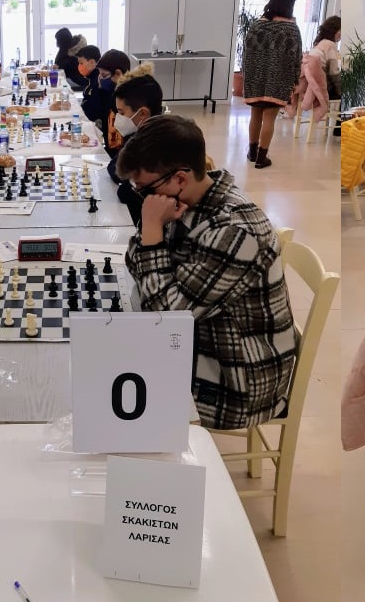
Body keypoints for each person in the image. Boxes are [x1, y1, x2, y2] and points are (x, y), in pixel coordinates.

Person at [119, 115, 297, 430]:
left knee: (111, 394)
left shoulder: (236, 232)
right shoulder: (185, 200)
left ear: (180, 178)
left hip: (235, 382)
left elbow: (163, 317)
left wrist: (151, 229)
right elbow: (135, 261)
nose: (144, 200)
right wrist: (152, 233)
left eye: (145, 190)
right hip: (198, 340)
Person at [242, 0, 303, 169]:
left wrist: (248, 76)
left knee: (255, 115)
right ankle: (262, 158)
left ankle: (252, 152)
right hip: (278, 79)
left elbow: (246, 54)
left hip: (255, 77)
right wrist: (295, 80)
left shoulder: (256, 26)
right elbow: (296, 57)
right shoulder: (291, 29)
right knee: (269, 117)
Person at [109, 62, 165, 224]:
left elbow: (123, 189)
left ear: (142, 113)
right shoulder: (139, 132)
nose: (118, 118)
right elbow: (114, 167)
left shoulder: (153, 143)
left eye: (121, 113)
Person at [76, 45, 109, 125]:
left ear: (92, 62)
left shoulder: (98, 80)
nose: (79, 66)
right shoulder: (91, 78)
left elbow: (95, 109)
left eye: (81, 63)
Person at [312, 15, 342, 99]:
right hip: (324, 88)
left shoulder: (319, 43)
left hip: (313, 85)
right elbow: (334, 72)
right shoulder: (330, 45)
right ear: (337, 32)